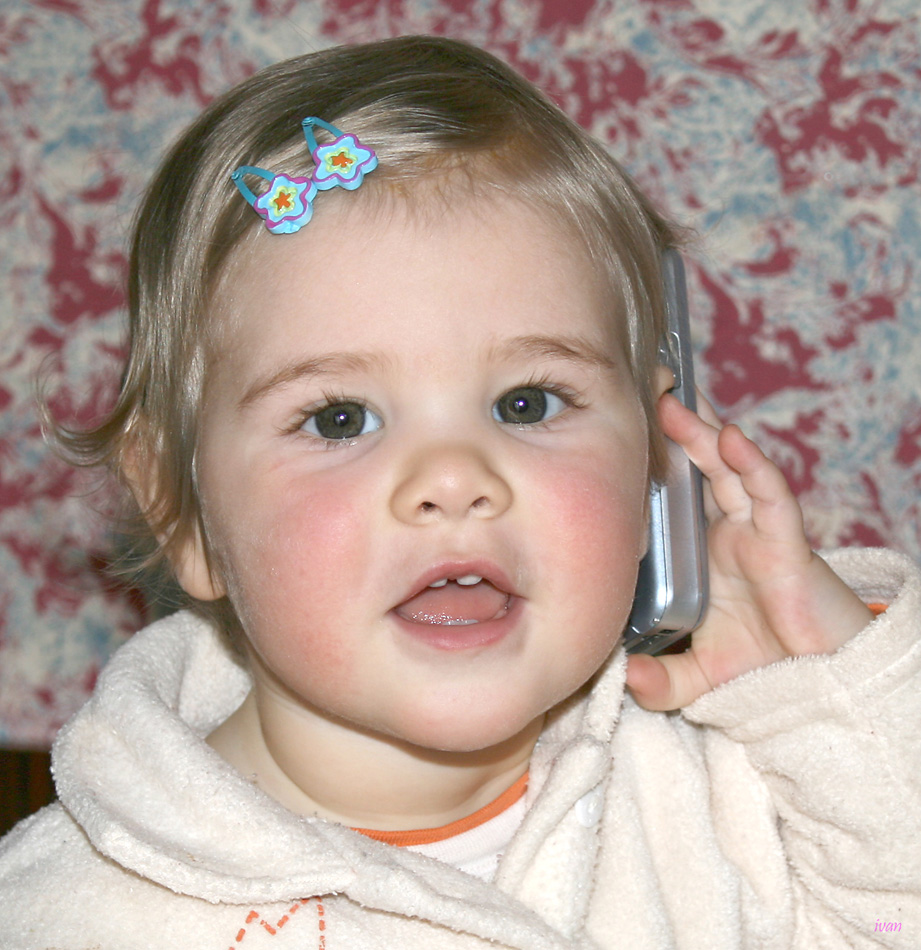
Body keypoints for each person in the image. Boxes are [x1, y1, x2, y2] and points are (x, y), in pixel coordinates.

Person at [0, 34, 918, 949]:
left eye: (527, 402)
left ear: (655, 461)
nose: (452, 480)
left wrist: (837, 698)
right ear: (183, 513)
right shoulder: (78, 914)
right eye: (339, 419)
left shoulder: (744, 807)